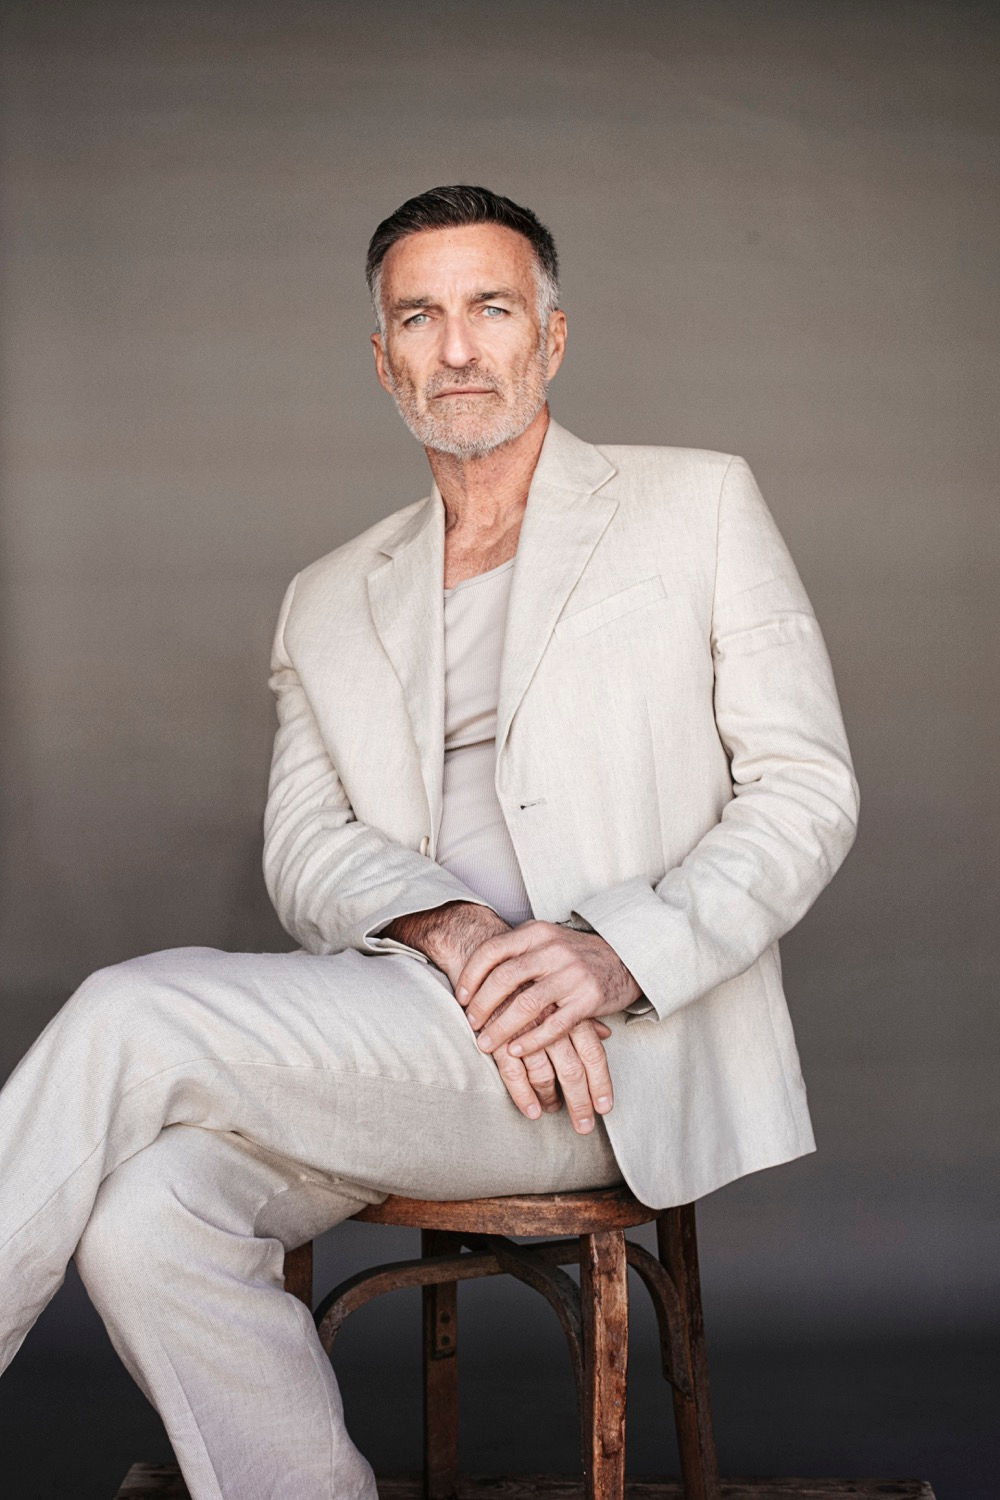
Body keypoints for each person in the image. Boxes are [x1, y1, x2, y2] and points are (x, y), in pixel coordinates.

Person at [0, 185, 858, 1499]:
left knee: (130, 1014)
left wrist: (611, 955)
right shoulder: (327, 596)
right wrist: (453, 931)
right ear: (383, 357)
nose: (456, 348)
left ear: (550, 338)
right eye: (420, 317)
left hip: (603, 1061)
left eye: (490, 308)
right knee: (141, 1219)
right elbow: (305, 847)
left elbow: (804, 789)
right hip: (398, 1023)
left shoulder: (697, 505)